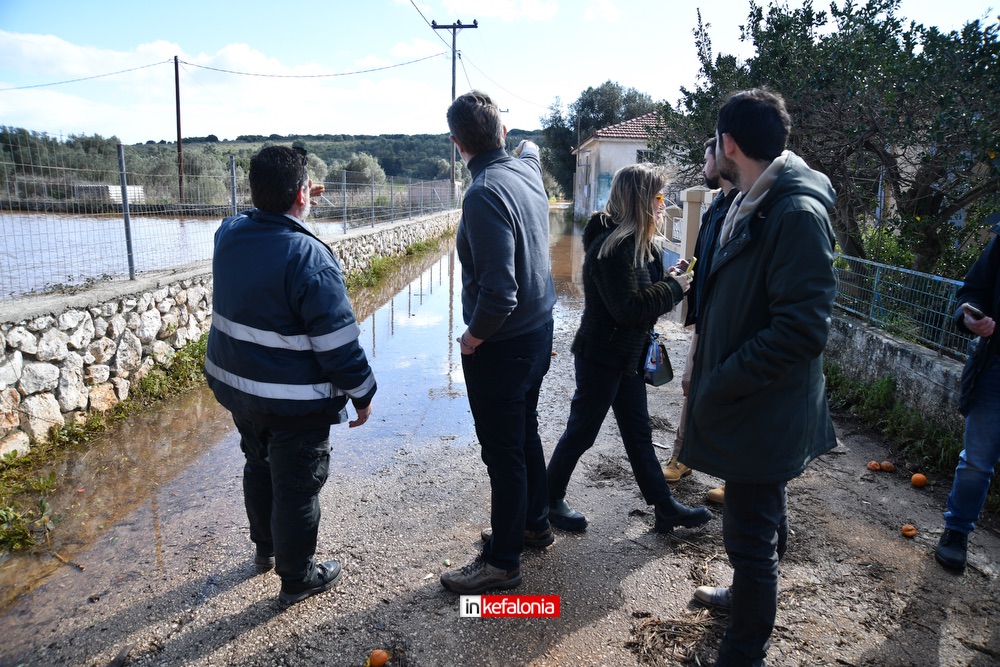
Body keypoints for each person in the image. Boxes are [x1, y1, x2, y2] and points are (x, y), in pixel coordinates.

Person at [680, 89, 838, 667]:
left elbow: (802, 330)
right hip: (752, 401)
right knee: (759, 523)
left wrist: (722, 379)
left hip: (761, 405)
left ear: (729, 144)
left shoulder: (793, 213)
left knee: (750, 535)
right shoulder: (752, 199)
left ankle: (744, 651)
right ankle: (746, 596)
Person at [205, 146, 377, 606]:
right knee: (298, 485)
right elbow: (338, 345)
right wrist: (363, 392)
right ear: (302, 194)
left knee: (258, 465)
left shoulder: (229, 234)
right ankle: (298, 578)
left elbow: (248, 216)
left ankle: (265, 550)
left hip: (238, 391)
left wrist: (283, 200)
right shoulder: (310, 257)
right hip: (293, 404)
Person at [544, 163, 712, 535]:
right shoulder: (612, 247)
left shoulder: (640, 245)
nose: (662, 204)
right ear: (640, 199)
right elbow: (628, 309)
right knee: (582, 431)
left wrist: (670, 279)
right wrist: (673, 289)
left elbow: (644, 295)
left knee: (638, 434)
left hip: (627, 358)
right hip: (602, 357)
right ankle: (548, 499)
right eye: (658, 197)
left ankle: (664, 508)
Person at [439, 91, 557, 595]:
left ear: (456, 144)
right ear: (502, 132)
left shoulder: (483, 193)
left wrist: (471, 338)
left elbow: (499, 293)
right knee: (524, 434)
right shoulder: (527, 171)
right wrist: (519, 142)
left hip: (502, 345)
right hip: (538, 333)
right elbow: (533, 149)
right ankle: (534, 524)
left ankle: (503, 563)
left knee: (503, 453)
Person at [662, 137, 738, 512]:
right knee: (690, 384)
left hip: (729, 321)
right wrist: (687, 270)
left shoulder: (742, 207)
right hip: (706, 316)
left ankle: (734, 477)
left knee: (729, 393)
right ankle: (683, 456)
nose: (704, 166)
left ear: (720, 160)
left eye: (707, 159)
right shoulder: (715, 207)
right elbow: (704, 257)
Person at [935, 216, 1000, 573]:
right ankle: (956, 532)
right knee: (977, 461)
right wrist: (970, 316)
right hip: (996, 369)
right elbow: (971, 292)